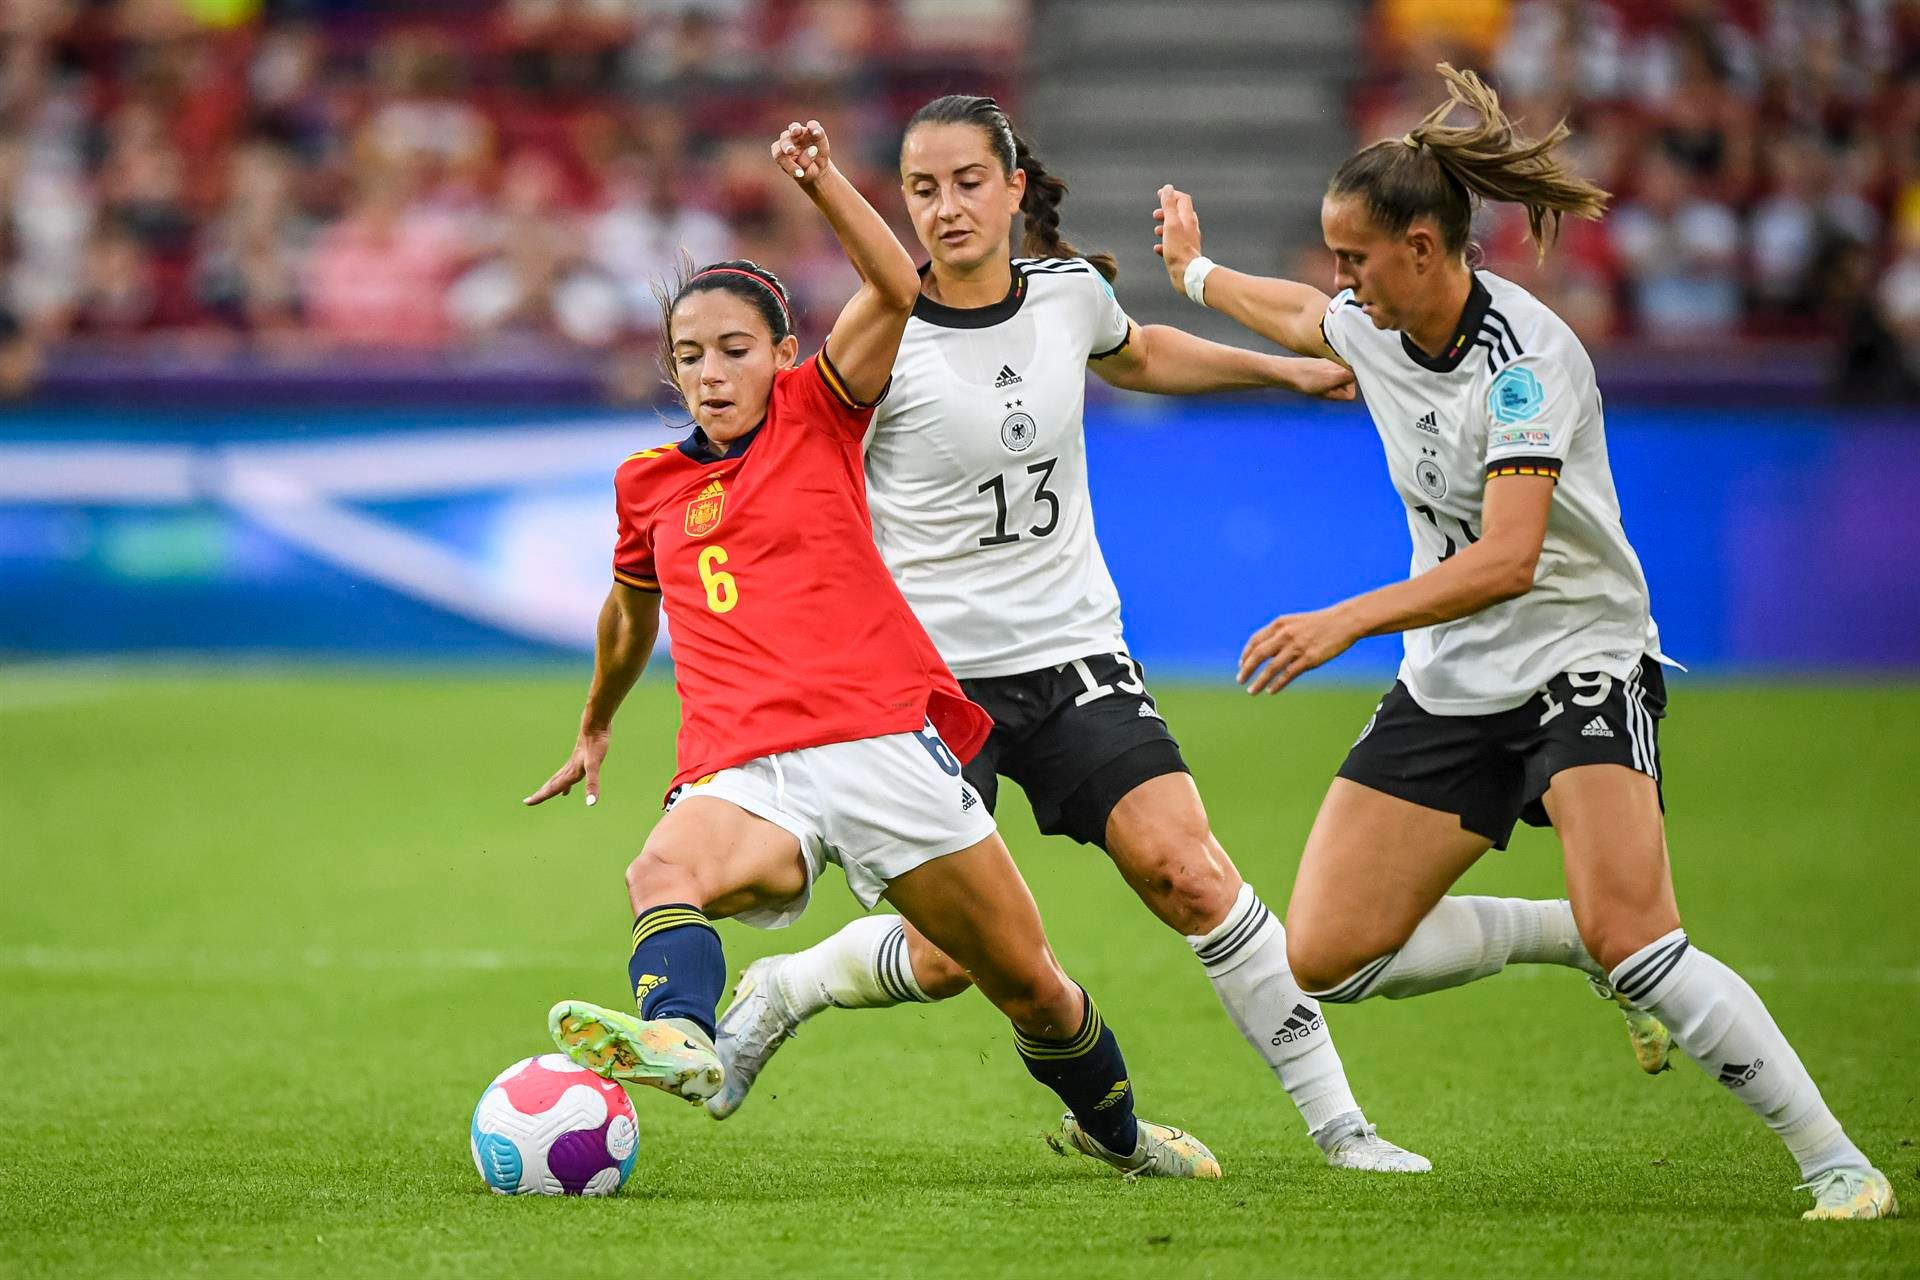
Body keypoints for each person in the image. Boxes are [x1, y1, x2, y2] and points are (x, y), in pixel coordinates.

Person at [700, 94, 1619, 1175]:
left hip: (1075, 652)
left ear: (1009, 189)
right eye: (920, 189)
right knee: (959, 957)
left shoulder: (1068, 296)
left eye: (964, 183)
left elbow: (1136, 355)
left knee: (1191, 872)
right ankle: (791, 985)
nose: (944, 208)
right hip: (930, 683)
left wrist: (1279, 371)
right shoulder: (878, 335)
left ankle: (1343, 1129)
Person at [1153, 65, 1896, 1221]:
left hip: (1576, 657)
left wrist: (1345, 617)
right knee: (1331, 954)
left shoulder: (1524, 361)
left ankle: (1837, 1161)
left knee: (1641, 934)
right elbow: (1298, 315)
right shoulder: (1377, 316)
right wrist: (1194, 271)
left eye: (1354, 257)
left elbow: (1507, 560)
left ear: (1421, 246)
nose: (1340, 282)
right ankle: (1566, 939)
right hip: (1456, 676)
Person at [522, 117, 1219, 1180]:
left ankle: (1120, 1134)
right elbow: (630, 613)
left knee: (1023, 978)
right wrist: (597, 713)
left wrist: (821, 182)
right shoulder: (647, 485)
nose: (711, 373)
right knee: (662, 865)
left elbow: (897, 285)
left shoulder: (821, 411)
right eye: (690, 356)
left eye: (734, 350)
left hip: (884, 742)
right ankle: (684, 1035)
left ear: (783, 355)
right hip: (747, 763)